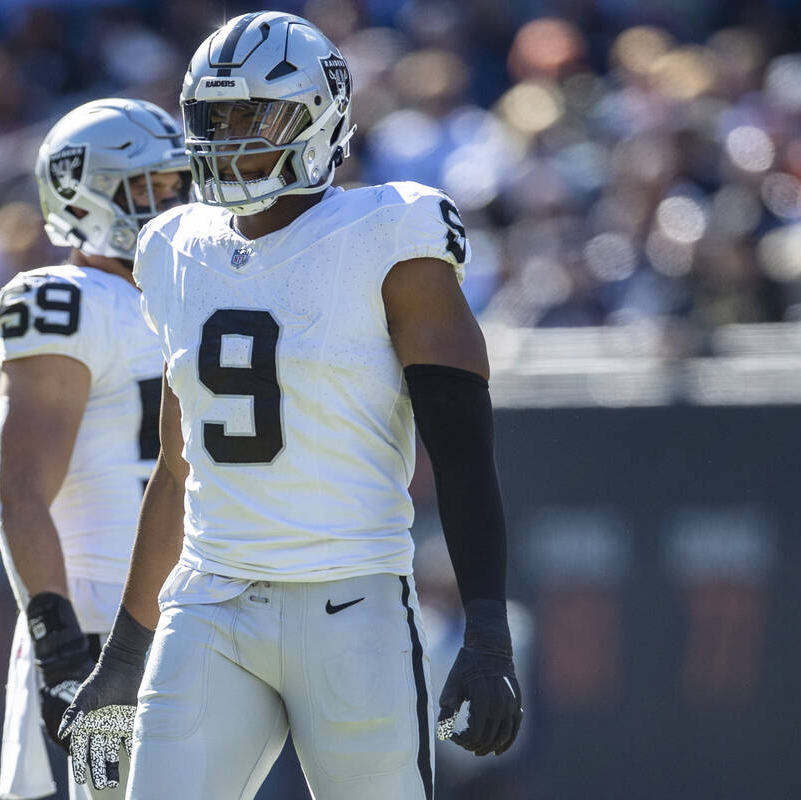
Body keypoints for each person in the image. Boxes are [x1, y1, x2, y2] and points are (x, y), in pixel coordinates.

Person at [60, 12, 522, 800]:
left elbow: (463, 449)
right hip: (209, 599)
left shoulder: (390, 231)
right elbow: (177, 469)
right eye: (214, 120)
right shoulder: (173, 248)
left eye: (252, 116)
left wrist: (486, 629)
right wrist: (126, 656)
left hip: (351, 601)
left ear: (323, 116)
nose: (229, 138)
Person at [0, 97, 191, 800]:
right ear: (84, 193)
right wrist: (58, 642)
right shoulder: (65, 300)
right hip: (97, 625)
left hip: (201, 615)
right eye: (149, 188)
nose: (170, 203)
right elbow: (19, 492)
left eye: (176, 185)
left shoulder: (197, 292)